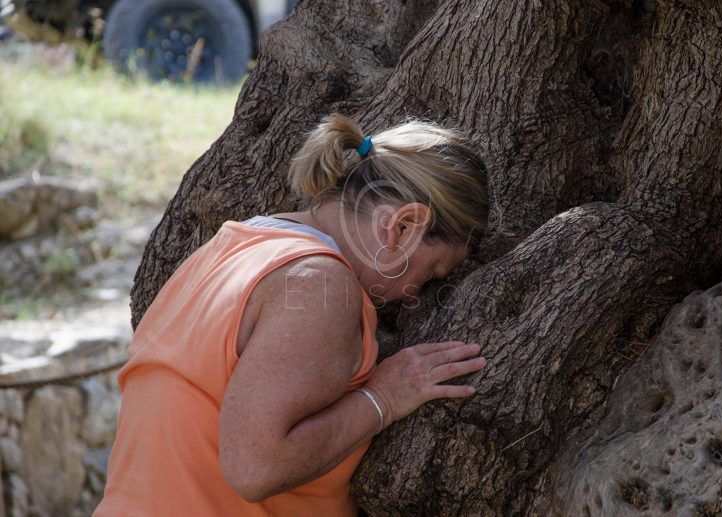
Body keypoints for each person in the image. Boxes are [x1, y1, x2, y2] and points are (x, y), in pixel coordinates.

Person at [94, 113, 491, 516]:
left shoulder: (235, 244)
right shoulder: (319, 283)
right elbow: (256, 466)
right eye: (431, 272)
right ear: (403, 226)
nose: (413, 298)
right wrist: (385, 397)